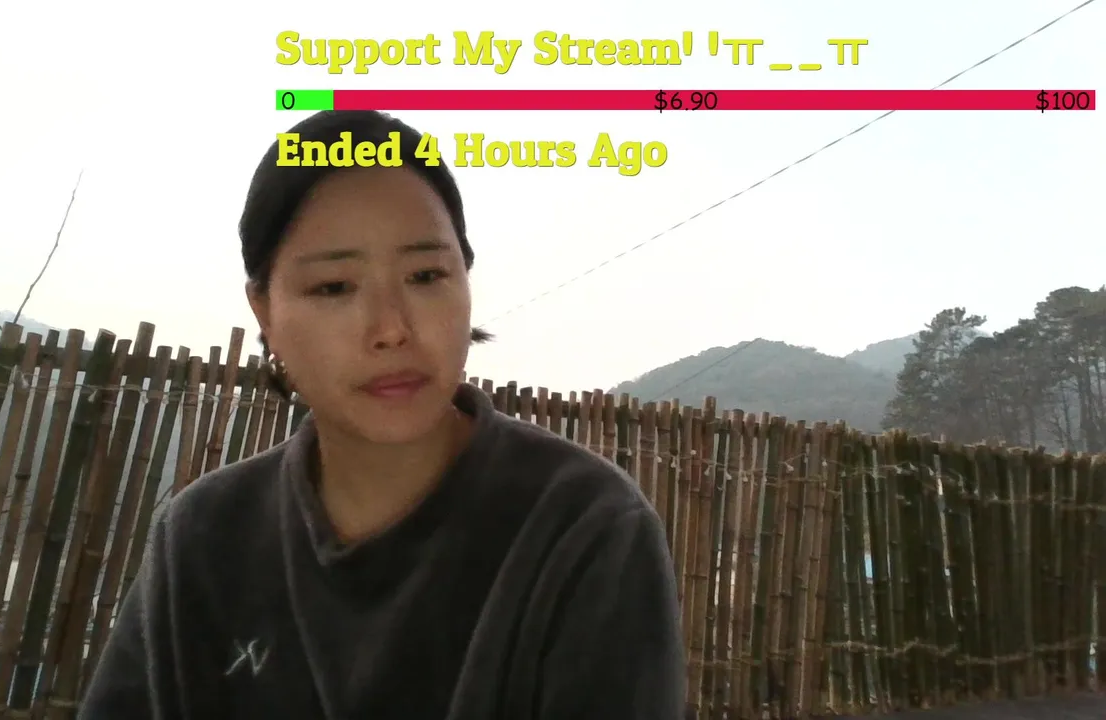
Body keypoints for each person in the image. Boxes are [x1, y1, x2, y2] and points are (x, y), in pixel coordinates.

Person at [79, 110, 685, 719]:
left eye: (425, 275)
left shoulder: (585, 528)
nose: (392, 328)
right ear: (264, 311)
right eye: (335, 287)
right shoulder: (201, 539)